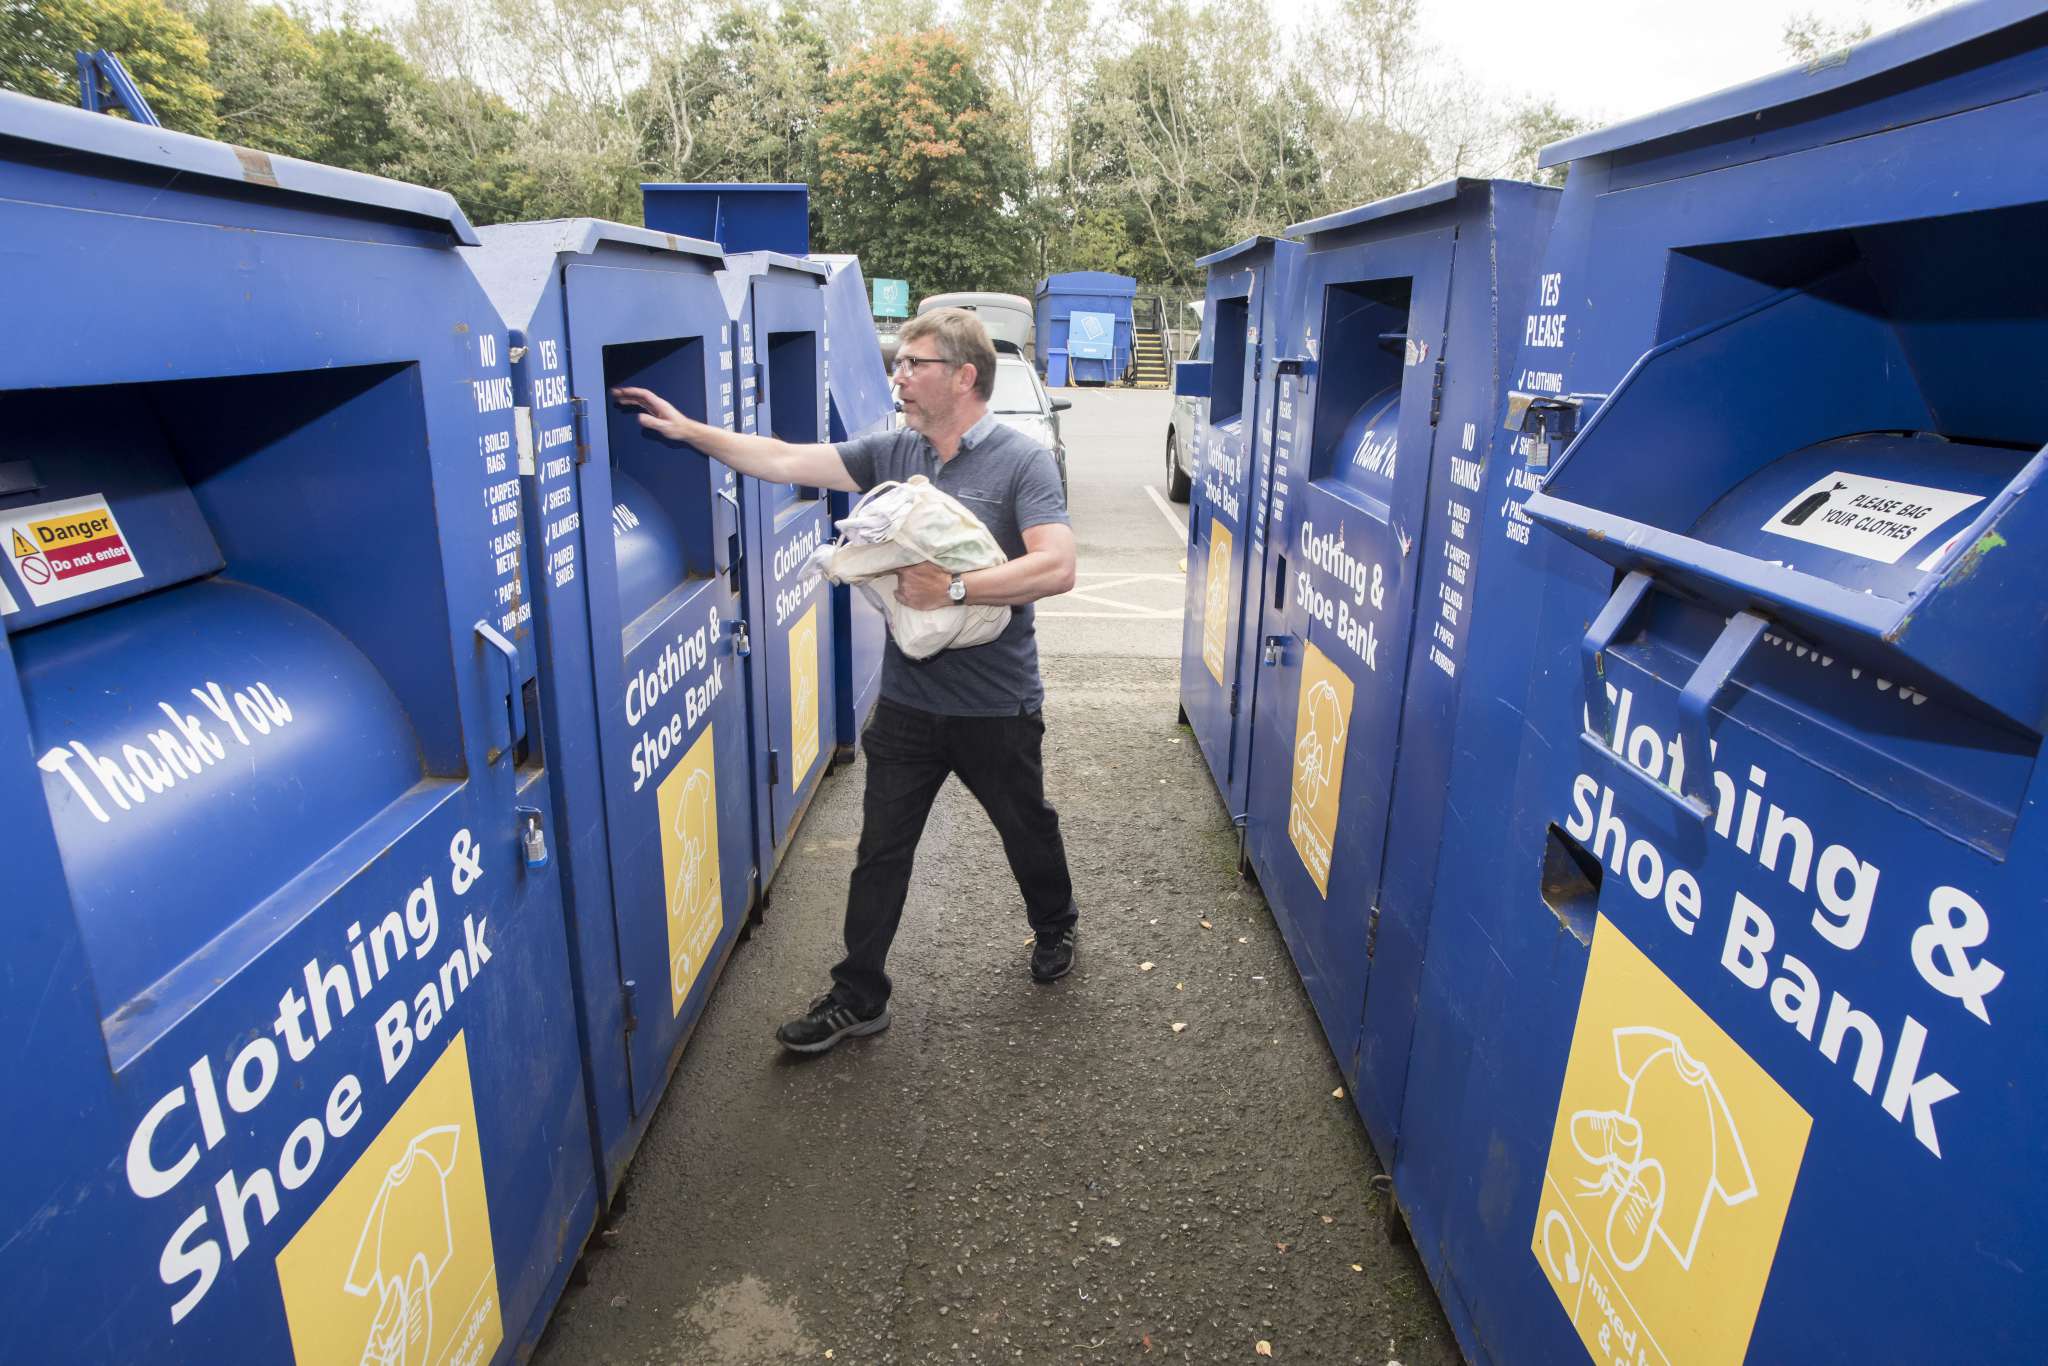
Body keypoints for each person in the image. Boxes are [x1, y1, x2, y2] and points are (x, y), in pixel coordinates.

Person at [611, 307, 1080, 1055]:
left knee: (1026, 828)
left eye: (913, 363)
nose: (898, 374)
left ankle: (1054, 923)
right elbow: (788, 459)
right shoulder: (896, 451)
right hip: (908, 703)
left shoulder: (1021, 462)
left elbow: (1056, 565)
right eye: (898, 362)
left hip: (997, 703)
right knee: (880, 851)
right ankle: (858, 994)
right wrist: (689, 431)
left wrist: (956, 590)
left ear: (963, 376)